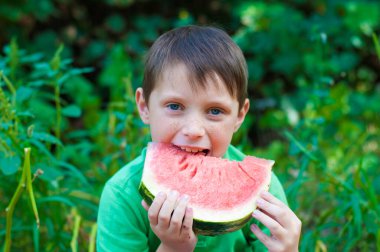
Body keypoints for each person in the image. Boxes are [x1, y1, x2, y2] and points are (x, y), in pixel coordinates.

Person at [97, 25, 301, 251]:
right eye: (175, 106)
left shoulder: (264, 192)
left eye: (215, 111)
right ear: (144, 106)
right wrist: (173, 248)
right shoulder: (121, 197)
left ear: (239, 115)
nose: (194, 129)